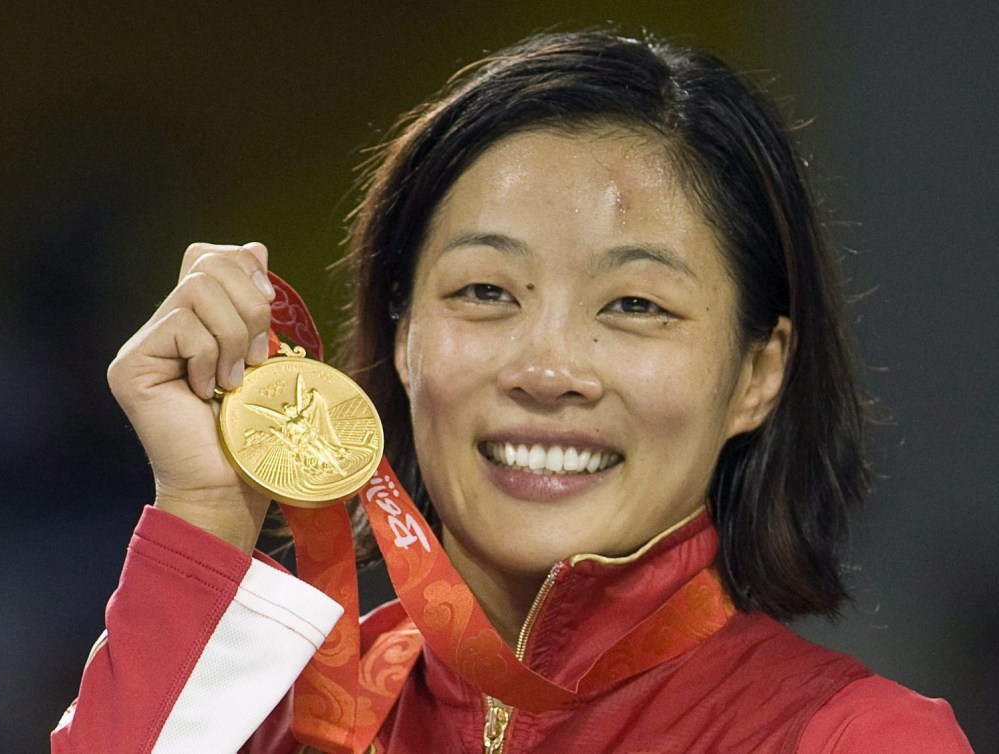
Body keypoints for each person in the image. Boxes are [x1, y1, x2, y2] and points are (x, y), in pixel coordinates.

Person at [51, 30, 973, 753]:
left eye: (636, 304)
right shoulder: (252, 723)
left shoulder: (853, 741)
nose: (546, 369)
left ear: (756, 374)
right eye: (486, 292)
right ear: (403, 336)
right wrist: (207, 511)